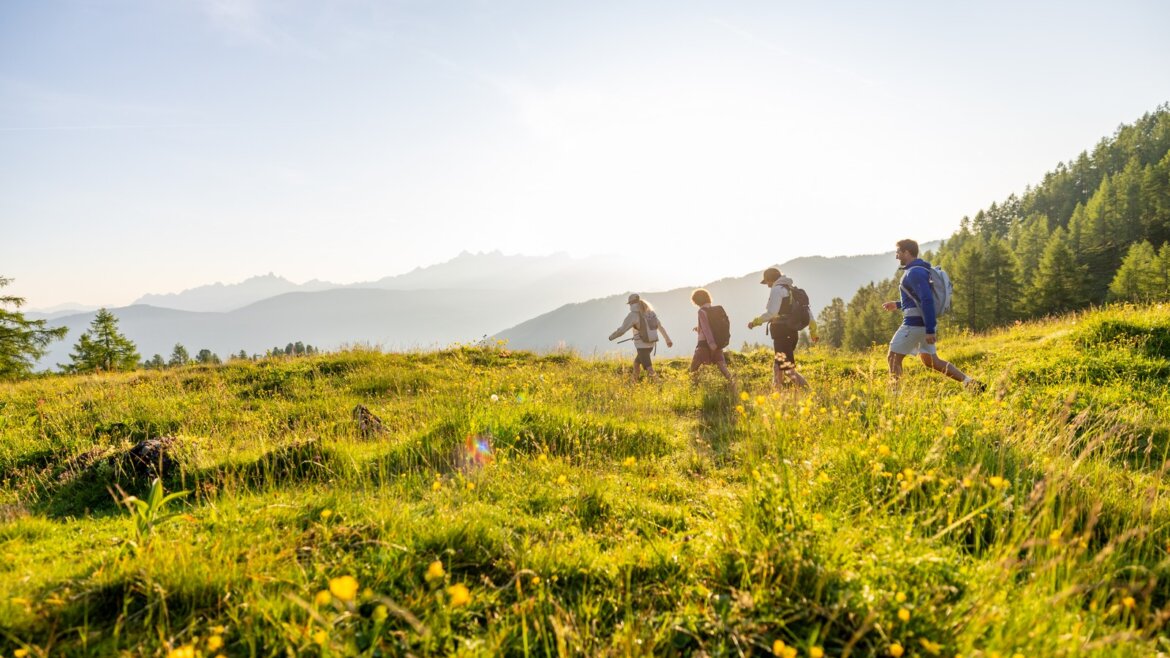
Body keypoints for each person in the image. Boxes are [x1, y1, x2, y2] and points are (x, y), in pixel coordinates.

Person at [881, 239, 985, 391]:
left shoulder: (914, 272)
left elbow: (927, 299)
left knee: (893, 357)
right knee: (931, 361)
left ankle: (894, 398)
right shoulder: (919, 270)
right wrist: (897, 304)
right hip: (922, 324)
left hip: (914, 325)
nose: (897, 256)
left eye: (898, 252)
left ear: (907, 252)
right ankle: (971, 384)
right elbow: (917, 299)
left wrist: (930, 329)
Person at [747, 267, 811, 390]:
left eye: (767, 282)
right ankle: (777, 392)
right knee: (778, 366)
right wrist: (813, 331)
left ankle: (808, 391)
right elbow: (807, 310)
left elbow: (771, 313)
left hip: (782, 332)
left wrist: (754, 322)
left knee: (787, 369)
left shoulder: (777, 290)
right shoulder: (791, 289)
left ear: (771, 279)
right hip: (791, 331)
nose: (767, 286)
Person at [608, 294, 672, 381]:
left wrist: (611, 337)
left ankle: (659, 385)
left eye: (630, 304)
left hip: (642, 346)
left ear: (631, 304)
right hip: (651, 344)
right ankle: (633, 382)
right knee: (636, 364)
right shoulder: (650, 313)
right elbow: (660, 327)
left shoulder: (633, 315)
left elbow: (622, 330)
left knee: (649, 368)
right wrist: (667, 340)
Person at [688, 288, 733, 382]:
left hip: (704, 344)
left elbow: (706, 329)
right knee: (722, 367)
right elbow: (709, 327)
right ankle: (733, 383)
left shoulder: (701, 311)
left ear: (696, 301)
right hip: (717, 342)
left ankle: (693, 388)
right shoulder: (716, 310)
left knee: (693, 368)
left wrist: (711, 344)